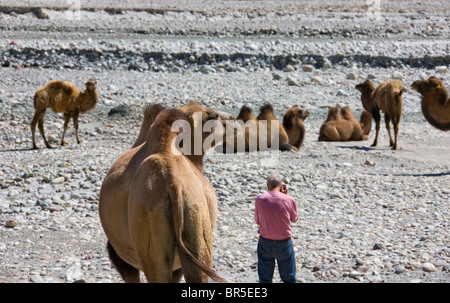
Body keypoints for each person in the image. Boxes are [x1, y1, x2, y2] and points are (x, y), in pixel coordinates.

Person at [254, 172, 298, 283]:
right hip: (284, 242)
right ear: (281, 186)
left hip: (265, 242)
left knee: (265, 279)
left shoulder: (259, 200)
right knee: (289, 278)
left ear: (267, 186)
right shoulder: (288, 199)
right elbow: (294, 219)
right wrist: (286, 195)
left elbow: (258, 222)